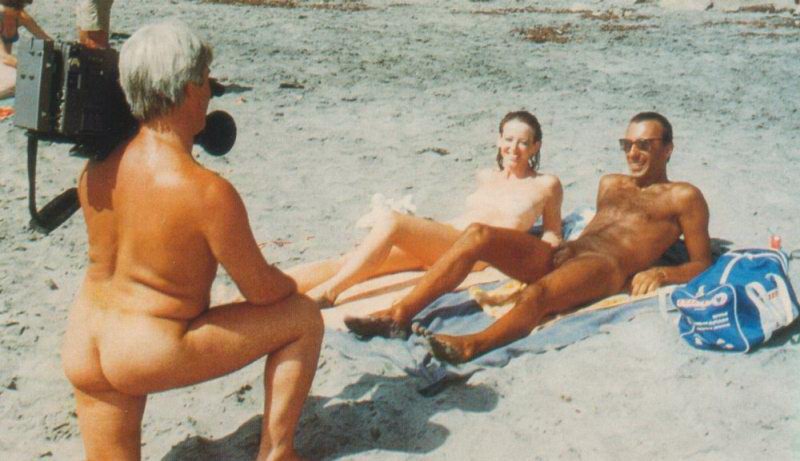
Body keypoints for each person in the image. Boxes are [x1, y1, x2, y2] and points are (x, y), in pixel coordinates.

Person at [61, 21, 322, 461]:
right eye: (205, 80)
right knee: (302, 317)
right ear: (186, 90)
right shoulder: (206, 192)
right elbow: (262, 290)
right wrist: (295, 285)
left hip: (84, 345)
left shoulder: (96, 171)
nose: (210, 90)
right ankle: (278, 454)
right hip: (149, 349)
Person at [345, 112, 712, 363]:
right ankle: (400, 314)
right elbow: (600, 228)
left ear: (668, 148)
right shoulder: (610, 183)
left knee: (537, 294)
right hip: (570, 252)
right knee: (477, 234)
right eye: (627, 144)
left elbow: (702, 262)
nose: (633, 153)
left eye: (644, 145)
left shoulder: (684, 197)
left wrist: (663, 272)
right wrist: (562, 245)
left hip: (605, 268)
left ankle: (474, 345)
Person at [287, 110, 564, 306]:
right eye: (508, 139)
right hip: (440, 240)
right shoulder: (485, 176)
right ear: (499, 140)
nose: (514, 148)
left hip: (471, 252)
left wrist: (546, 260)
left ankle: (328, 293)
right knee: (350, 260)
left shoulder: (546, 184)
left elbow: (552, 233)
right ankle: (274, 289)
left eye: (523, 142)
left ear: (535, 146)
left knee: (392, 221)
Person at [0, 0, 50, 98]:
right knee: (19, 81)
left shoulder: (20, 15)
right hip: (3, 62)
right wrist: (29, 68)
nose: (21, 9)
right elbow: (3, 57)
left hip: (6, 66)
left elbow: (45, 39)